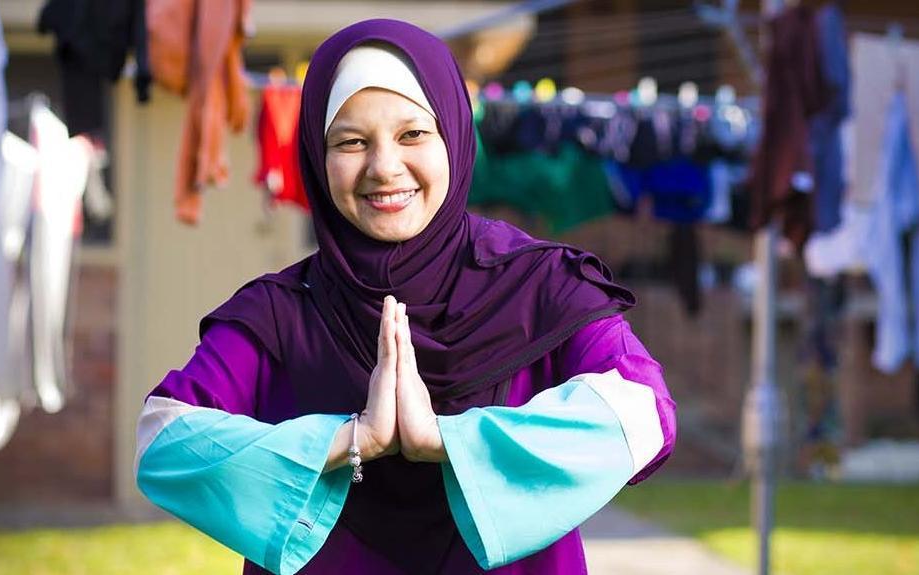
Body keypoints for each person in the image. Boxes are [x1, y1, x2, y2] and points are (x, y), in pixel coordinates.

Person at [135, 18, 676, 575]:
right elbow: (165, 441)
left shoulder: (541, 285)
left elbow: (642, 414)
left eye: (413, 134)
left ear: (455, 137)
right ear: (317, 162)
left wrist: (450, 441)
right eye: (350, 141)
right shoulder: (280, 313)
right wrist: (348, 439)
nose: (384, 167)